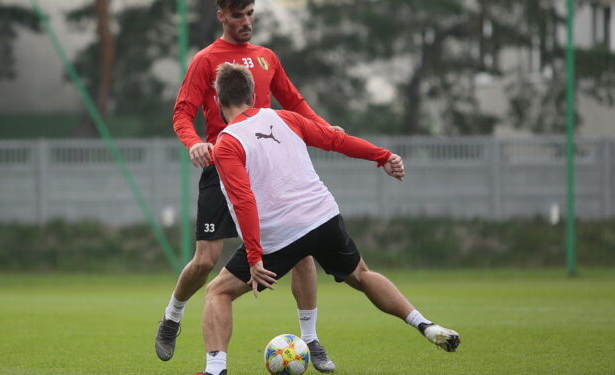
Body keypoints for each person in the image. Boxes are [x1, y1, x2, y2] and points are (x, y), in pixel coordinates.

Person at [194, 63, 461, 375]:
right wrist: (383, 156)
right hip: (323, 216)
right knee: (361, 275)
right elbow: (337, 140)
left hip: (278, 234)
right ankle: (425, 324)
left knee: (218, 292)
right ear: (253, 95)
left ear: (216, 102)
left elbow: (243, 201)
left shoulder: (227, 142)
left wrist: (254, 255)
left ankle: (215, 370)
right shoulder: (285, 118)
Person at [157, 0, 341, 372]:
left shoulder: (267, 58)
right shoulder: (205, 60)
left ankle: (310, 338)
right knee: (205, 260)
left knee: (302, 248)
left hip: (264, 168)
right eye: (238, 15)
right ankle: (172, 316)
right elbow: (181, 111)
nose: (246, 22)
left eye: (251, 14)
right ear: (221, 16)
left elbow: (294, 102)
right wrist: (194, 142)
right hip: (220, 165)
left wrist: (325, 128)